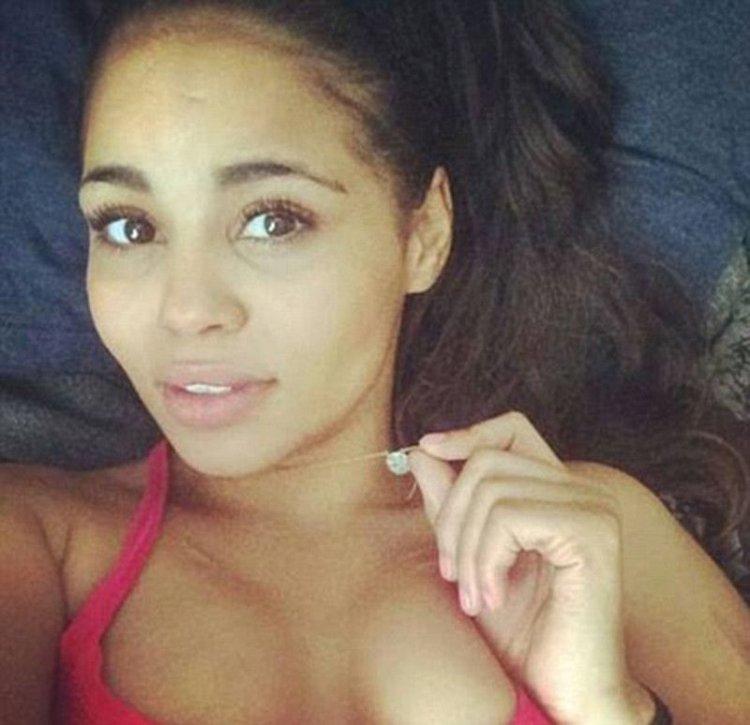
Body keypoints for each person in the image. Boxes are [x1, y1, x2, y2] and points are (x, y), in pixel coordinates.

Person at [1, 0, 748, 722]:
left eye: (272, 221)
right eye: (128, 228)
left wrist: (611, 711)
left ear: (423, 235)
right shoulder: (35, 546)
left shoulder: (585, 539)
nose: (186, 310)